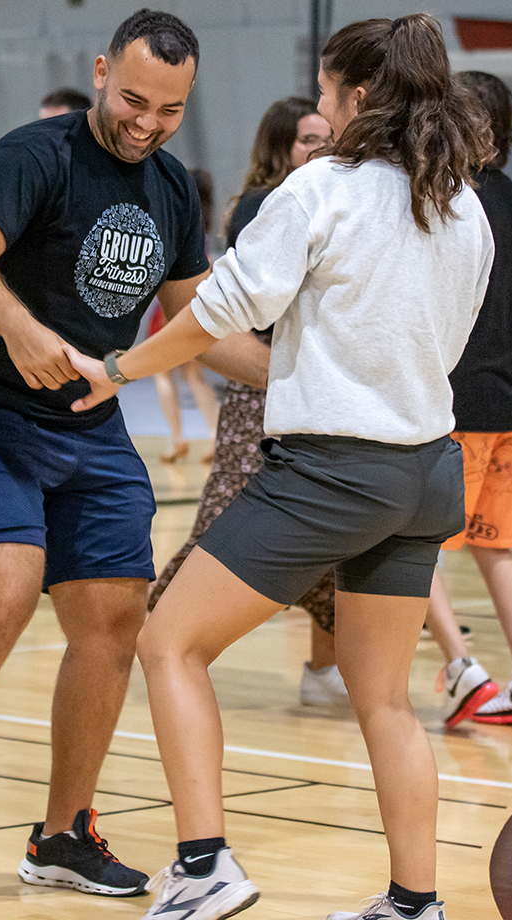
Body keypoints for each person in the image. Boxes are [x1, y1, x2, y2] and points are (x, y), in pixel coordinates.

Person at [65, 13, 495, 920]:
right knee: (384, 701)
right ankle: (415, 904)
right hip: (426, 472)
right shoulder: (463, 204)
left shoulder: (322, 189)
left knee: (166, 641)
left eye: (329, 94)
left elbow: (215, 310)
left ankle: (203, 864)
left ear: (359, 96)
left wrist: (118, 370)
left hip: (335, 469)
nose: (322, 109)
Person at [0, 9, 269, 906]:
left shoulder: (170, 190)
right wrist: (20, 326)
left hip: (91, 428)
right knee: (1, 588)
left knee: (117, 620)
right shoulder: (35, 154)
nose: (146, 122)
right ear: (101, 70)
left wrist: (299, 376)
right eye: (131, 99)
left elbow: (196, 324)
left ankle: (64, 833)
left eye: (169, 109)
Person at [149, 96, 347, 707]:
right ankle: (157, 632)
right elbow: (249, 312)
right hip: (259, 393)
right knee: (222, 526)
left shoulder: (320, 196)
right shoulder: (271, 203)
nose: (320, 149)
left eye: (325, 138)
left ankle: (325, 670)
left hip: (298, 393)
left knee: (323, 547)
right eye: (307, 140)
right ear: (279, 145)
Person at [423, 71, 512, 730]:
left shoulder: (454, 200)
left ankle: (461, 669)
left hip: (461, 400)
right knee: (495, 548)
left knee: (408, 545)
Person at [149, 167, 221, 463]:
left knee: (161, 371)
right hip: (196, 303)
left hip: (172, 306)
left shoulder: (176, 222)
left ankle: (177, 439)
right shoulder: (204, 228)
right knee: (194, 375)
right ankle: (216, 436)